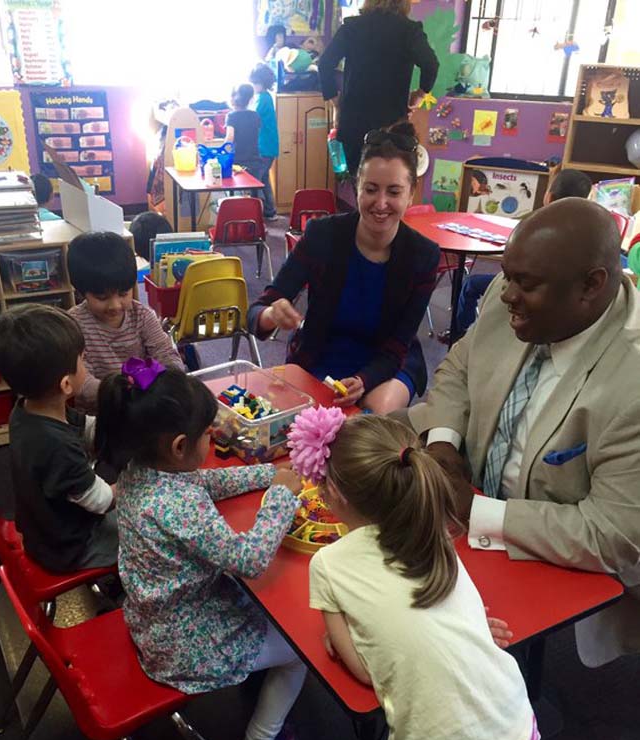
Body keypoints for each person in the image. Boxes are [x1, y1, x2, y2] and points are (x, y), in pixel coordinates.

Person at [305, 413, 538, 740]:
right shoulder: (435, 535)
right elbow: (448, 615)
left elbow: (365, 674)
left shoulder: (328, 563)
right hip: (519, 728)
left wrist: (337, 641)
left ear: (335, 498)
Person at [401, 197, 640, 667]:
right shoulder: (509, 296)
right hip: (467, 500)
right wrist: (445, 442)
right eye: (507, 274)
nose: (506, 293)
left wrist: (477, 511)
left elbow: (612, 534)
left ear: (591, 286)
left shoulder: (632, 380)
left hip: (560, 555)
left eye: (524, 283)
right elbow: (456, 372)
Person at [97, 361, 307, 740]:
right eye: (207, 436)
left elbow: (203, 484)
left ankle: (253, 680)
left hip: (155, 623)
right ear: (179, 446)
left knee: (261, 605)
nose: (212, 440)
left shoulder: (140, 470)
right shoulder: (179, 504)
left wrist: (270, 474)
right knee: (300, 653)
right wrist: (280, 498)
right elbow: (250, 560)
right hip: (185, 646)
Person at [248, 123, 439, 414]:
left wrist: (365, 380)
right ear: (356, 188)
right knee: (300, 427)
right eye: (371, 189)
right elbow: (256, 313)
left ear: (411, 193)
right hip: (319, 354)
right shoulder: (322, 234)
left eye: (394, 191)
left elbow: (398, 345)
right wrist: (271, 314)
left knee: (371, 418)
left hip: (388, 362)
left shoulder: (423, 255)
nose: (381, 203)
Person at [0, 304, 118, 572]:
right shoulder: (54, 445)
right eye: (82, 360)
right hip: (71, 548)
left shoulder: (28, 409)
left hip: (44, 532)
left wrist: (121, 426)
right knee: (148, 529)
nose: (86, 364)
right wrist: (137, 482)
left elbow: (85, 428)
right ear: (66, 385)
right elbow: (103, 501)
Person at [455, 168, 594, 335]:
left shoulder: (537, 225)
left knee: (471, 284)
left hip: (528, 289)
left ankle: (459, 333)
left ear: (549, 197)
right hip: (564, 297)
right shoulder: (586, 231)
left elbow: (513, 263)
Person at [66, 231, 184, 413]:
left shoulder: (143, 316)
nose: (115, 305)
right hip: (100, 414)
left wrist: (169, 378)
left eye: (123, 294)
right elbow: (81, 383)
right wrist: (124, 393)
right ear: (81, 292)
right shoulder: (74, 325)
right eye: (101, 297)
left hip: (143, 407)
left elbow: (166, 353)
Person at [318, 0, 438, 174]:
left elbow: (325, 63)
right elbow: (431, 64)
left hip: (354, 121)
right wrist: (419, 95)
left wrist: (336, 102)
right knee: (392, 184)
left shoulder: (352, 27)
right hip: (392, 124)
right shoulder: (409, 30)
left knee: (361, 184)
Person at [249, 63, 279, 220]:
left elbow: (252, 117)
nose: (253, 86)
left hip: (264, 148)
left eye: (255, 83)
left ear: (262, 82)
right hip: (268, 147)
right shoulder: (264, 97)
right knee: (264, 179)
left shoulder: (263, 99)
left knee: (256, 180)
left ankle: (257, 213)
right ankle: (269, 211)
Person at [225, 83, 261, 175]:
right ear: (250, 99)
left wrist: (223, 153)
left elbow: (230, 137)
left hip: (239, 160)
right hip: (255, 160)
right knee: (255, 186)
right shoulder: (255, 115)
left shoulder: (232, 116)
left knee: (239, 186)